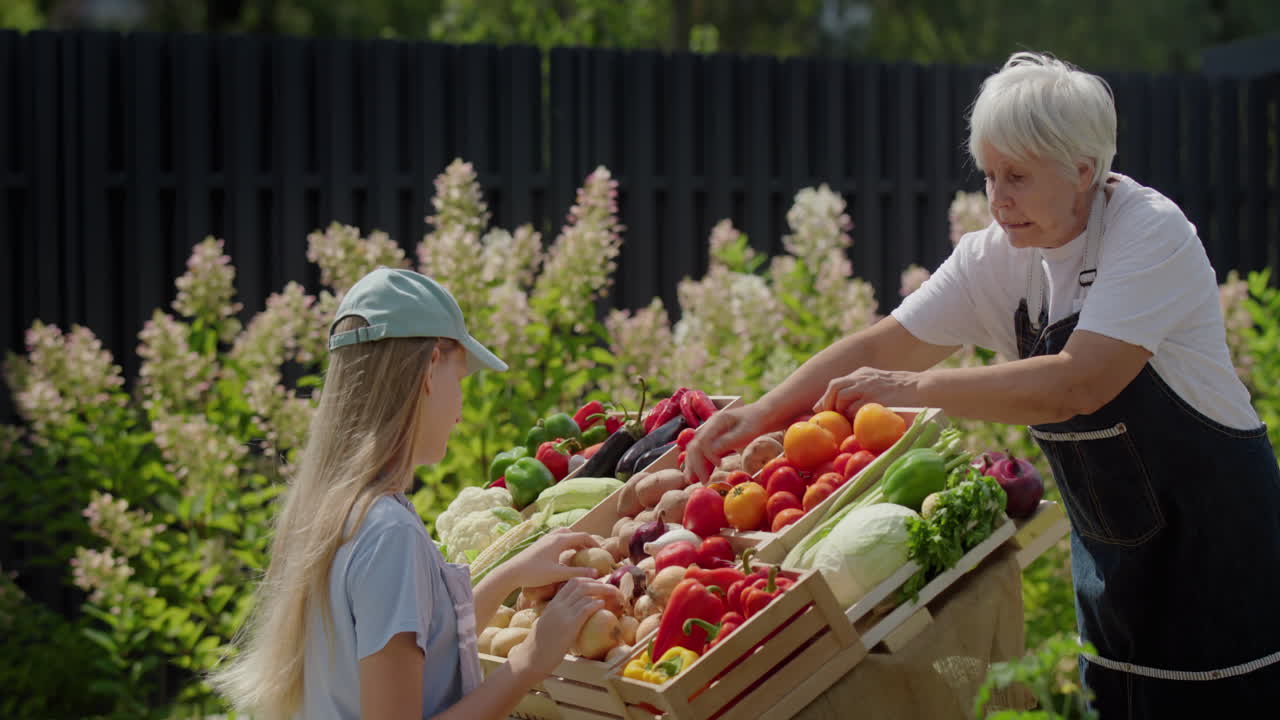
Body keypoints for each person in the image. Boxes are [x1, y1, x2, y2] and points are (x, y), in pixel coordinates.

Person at [686, 51, 1280, 716]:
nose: (997, 197)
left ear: (1084, 169)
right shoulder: (996, 256)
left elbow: (1079, 384)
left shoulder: (1150, 233)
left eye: (1018, 177)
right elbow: (885, 344)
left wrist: (909, 390)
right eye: (991, 174)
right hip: (1114, 561)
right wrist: (760, 415)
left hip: (1217, 552)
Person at [212, 267, 621, 720]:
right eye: (460, 379)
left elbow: (427, 647)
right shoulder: (389, 533)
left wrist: (507, 577)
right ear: (429, 368)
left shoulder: (337, 511)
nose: (461, 409)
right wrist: (531, 660)